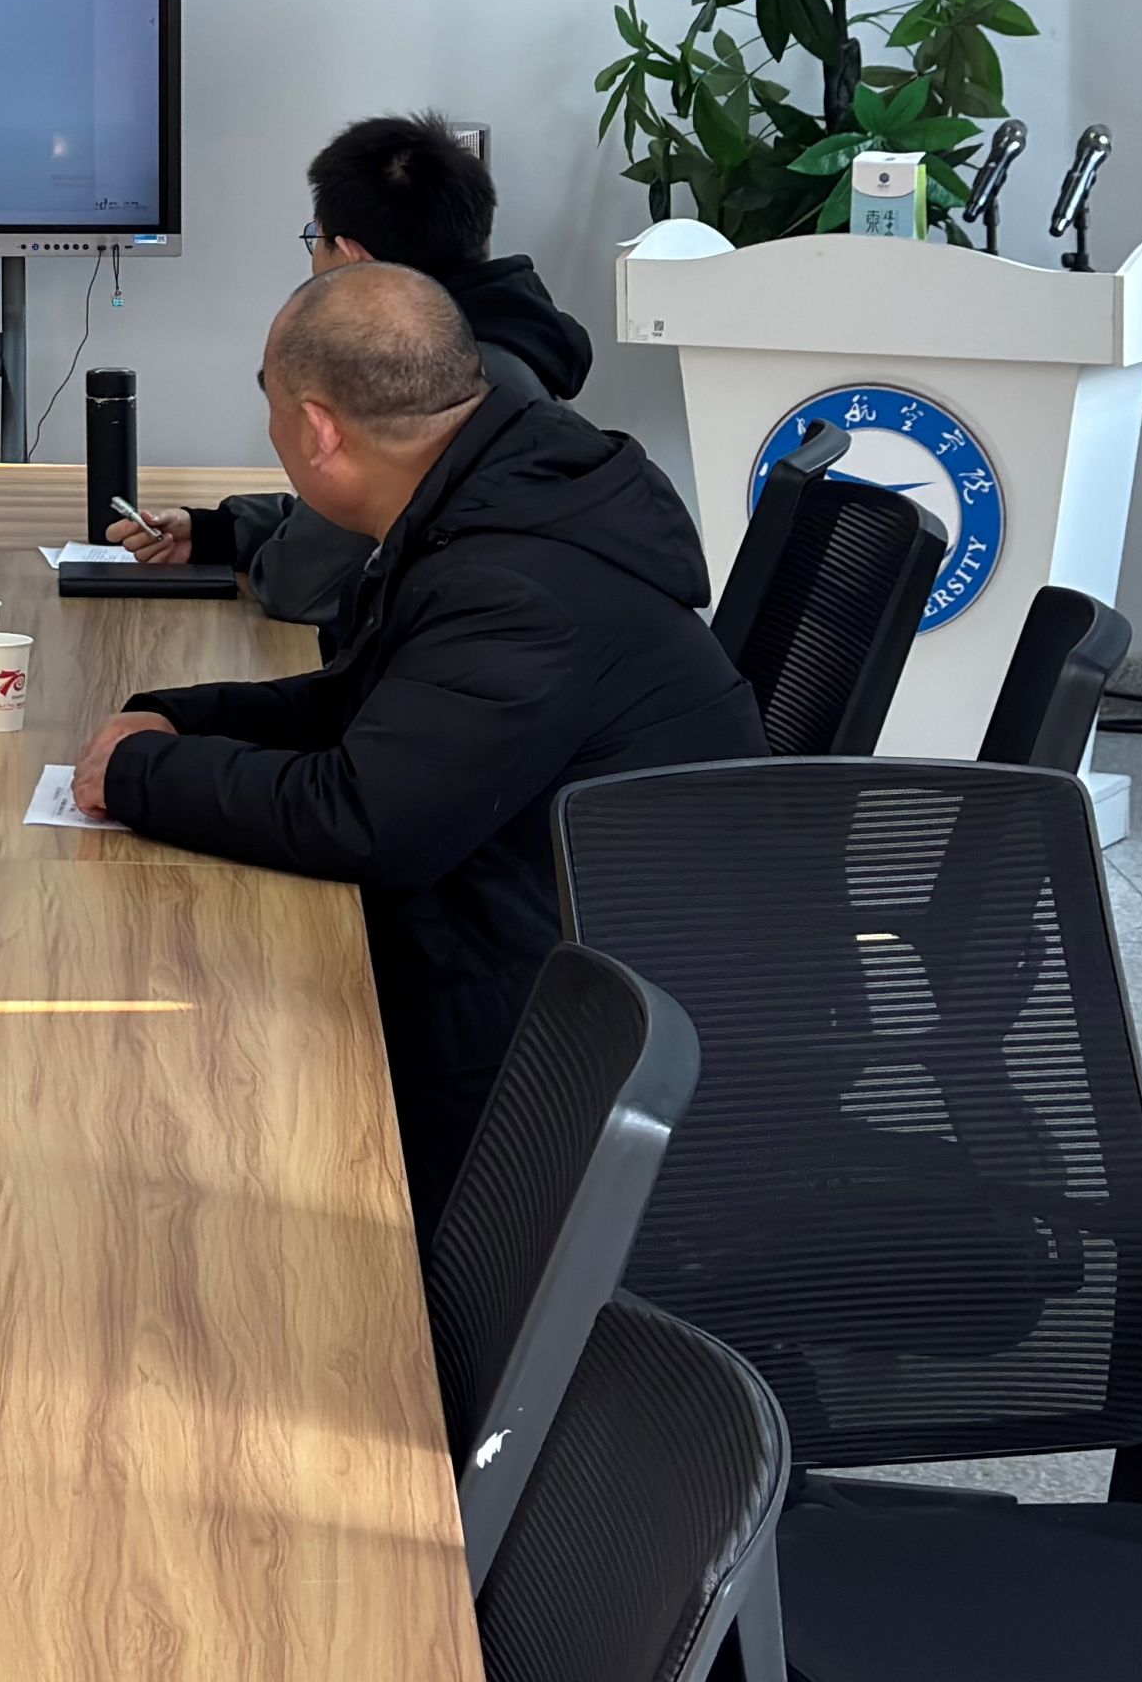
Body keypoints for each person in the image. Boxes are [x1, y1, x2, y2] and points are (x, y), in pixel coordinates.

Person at [71, 265, 761, 1229]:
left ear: (319, 430)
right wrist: (178, 719)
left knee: (216, 1088)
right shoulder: (502, 495)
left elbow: (366, 819)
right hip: (568, 936)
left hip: (581, 1042)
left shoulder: (515, 581)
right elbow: (373, 702)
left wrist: (142, 773)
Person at [112, 111, 598, 629]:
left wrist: (252, 546)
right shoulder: (503, 351)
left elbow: (302, 585)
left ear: (352, 260)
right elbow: (368, 524)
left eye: (315, 239)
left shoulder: (432, 382)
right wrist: (221, 532)